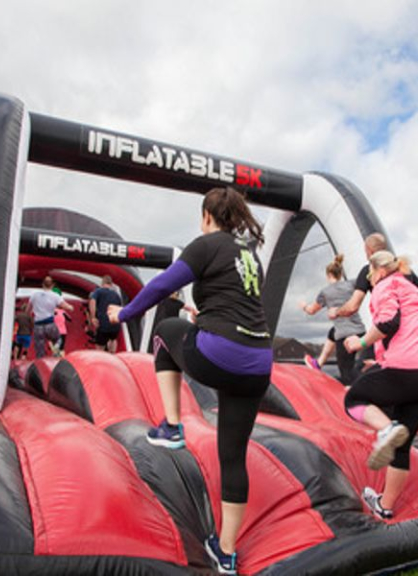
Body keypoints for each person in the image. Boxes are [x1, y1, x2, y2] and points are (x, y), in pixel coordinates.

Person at [107, 187, 272, 575]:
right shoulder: (251, 257)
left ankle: (172, 426)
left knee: (165, 327)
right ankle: (227, 553)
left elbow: (162, 286)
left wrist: (124, 313)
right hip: (259, 364)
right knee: (233, 456)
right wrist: (205, 315)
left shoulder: (204, 244)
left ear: (207, 216)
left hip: (222, 354)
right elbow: (238, 308)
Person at [342, 250, 418, 521]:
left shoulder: (385, 286)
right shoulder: (410, 288)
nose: (371, 282)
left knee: (354, 399)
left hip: (406, 368)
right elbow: (408, 329)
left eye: (370, 276)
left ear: (378, 272)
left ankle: (387, 429)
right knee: (403, 446)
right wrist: (377, 363)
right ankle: (384, 506)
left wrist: (359, 342)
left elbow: (389, 322)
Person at [300, 254, 365, 385]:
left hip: (345, 336)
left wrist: (304, 306)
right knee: (332, 332)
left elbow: (312, 310)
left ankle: (362, 397)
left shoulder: (325, 292)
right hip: (361, 332)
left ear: (328, 275)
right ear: (340, 274)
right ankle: (318, 363)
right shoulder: (351, 284)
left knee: (347, 374)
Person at [27, 276, 74, 359]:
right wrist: (70, 307)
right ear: (52, 285)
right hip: (49, 323)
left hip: (38, 325)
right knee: (58, 339)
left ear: (42, 284)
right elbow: (64, 305)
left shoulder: (34, 295)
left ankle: (40, 361)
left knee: (39, 347)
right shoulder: (55, 296)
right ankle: (56, 347)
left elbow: (28, 309)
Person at [89, 275, 123, 353]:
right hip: (115, 323)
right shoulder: (116, 295)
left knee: (100, 346)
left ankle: (101, 360)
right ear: (111, 284)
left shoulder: (98, 291)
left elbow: (92, 301)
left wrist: (93, 317)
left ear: (102, 283)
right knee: (113, 339)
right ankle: (112, 355)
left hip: (103, 322)